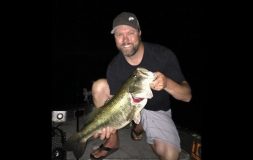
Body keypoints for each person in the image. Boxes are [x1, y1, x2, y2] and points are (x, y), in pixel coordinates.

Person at [90, 12, 192, 160]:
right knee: (99, 86)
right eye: (119, 34)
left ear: (139, 33)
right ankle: (112, 142)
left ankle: (138, 129)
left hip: (156, 110)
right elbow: (112, 103)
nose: (125, 39)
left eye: (130, 32)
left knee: (170, 155)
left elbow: (187, 96)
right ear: (115, 39)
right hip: (127, 108)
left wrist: (167, 83)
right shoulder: (114, 66)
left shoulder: (162, 55)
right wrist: (107, 123)